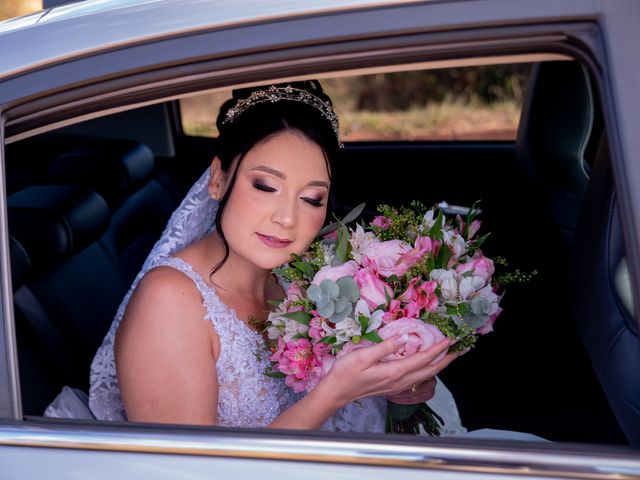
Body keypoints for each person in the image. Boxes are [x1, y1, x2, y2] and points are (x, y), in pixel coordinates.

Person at [44, 81, 465, 433]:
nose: (287, 218)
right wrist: (334, 392)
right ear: (218, 178)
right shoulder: (169, 302)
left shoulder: (304, 278)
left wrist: (390, 386)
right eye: (265, 186)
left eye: (312, 198)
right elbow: (181, 473)